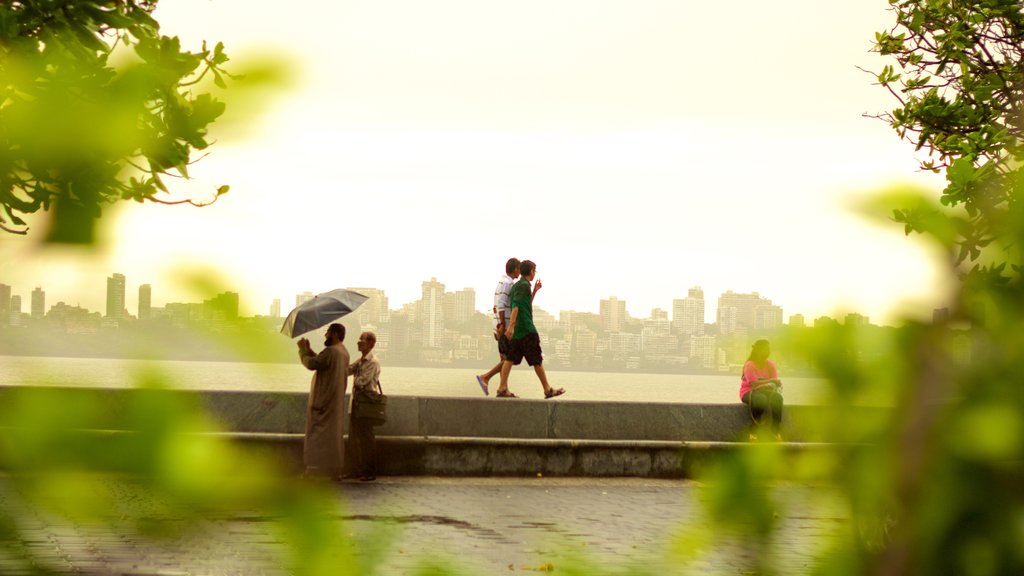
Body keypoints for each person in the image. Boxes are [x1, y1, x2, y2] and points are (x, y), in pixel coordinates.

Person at [495, 259, 565, 399]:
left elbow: (524, 303)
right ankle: (547, 389)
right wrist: (512, 326)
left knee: (510, 358)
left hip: (518, 332)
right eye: (534, 270)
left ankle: (502, 387)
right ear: (531, 271)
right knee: (536, 360)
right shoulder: (523, 286)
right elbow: (516, 306)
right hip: (526, 330)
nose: (535, 273)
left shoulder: (518, 286)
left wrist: (534, 292)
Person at [297, 322, 351, 477]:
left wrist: (302, 351)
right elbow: (322, 361)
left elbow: (312, 364)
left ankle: (313, 470)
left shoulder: (331, 351)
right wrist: (309, 350)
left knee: (317, 437)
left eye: (327, 332)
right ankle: (334, 471)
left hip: (322, 403)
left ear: (334, 333)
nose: (325, 335)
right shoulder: (343, 352)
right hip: (334, 403)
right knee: (333, 439)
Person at [475, 257, 520, 396]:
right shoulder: (507, 283)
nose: (519, 272)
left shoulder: (503, 281)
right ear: (515, 269)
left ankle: (503, 389)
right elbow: (501, 304)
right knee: (509, 359)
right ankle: (486, 377)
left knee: (504, 358)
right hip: (503, 326)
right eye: (518, 268)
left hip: (499, 324)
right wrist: (503, 324)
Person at [348, 331, 382, 482]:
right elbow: (349, 369)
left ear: (370, 344)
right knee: (355, 438)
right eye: (359, 339)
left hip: (366, 405)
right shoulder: (362, 360)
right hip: (357, 403)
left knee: (366, 438)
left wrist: (354, 372)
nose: (358, 342)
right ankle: (357, 470)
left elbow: (360, 382)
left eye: (362, 340)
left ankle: (369, 471)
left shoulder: (372, 362)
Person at [740, 339, 784, 441]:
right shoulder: (750, 365)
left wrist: (772, 382)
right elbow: (753, 383)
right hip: (749, 392)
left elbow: (775, 382)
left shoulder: (771, 365)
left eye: (769, 349)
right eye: (766, 349)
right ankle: (753, 431)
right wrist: (771, 381)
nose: (768, 351)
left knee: (778, 398)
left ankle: (775, 430)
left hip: (766, 391)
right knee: (761, 399)